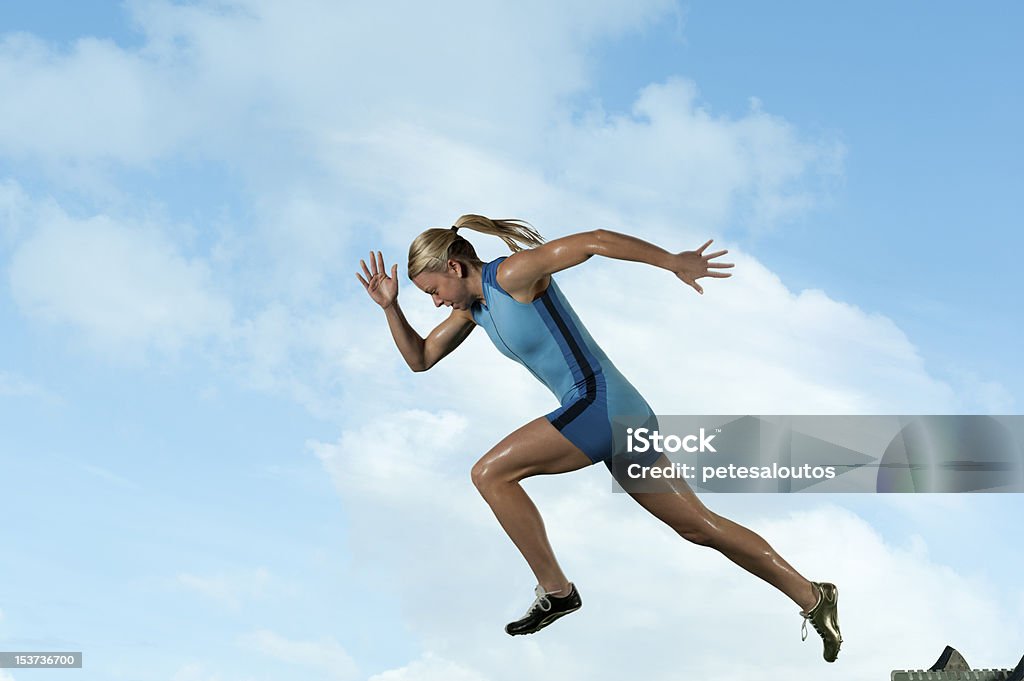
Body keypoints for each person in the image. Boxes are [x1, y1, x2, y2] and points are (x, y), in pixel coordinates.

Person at [356, 214, 843, 662]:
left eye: (434, 291)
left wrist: (672, 261)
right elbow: (420, 358)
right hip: (617, 414)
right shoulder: (473, 313)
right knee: (698, 527)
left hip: (601, 403)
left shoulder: (513, 275)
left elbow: (595, 242)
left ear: (456, 267)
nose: (437, 302)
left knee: (490, 474)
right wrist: (390, 307)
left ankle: (558, 591)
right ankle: (813, 596)